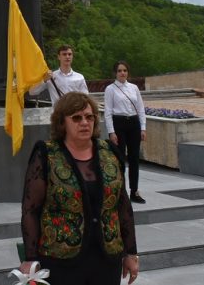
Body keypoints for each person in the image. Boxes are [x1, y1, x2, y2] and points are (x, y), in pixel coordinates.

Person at [20, 92, 140, 285]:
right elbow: (30, 210)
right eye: (76, 118)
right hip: (60, 260)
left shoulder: (110, 151)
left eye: (89, 117)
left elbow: (123, 204)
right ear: (62, 123)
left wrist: (131, 252)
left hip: (107, 258)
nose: (84, 122)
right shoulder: (46, 154)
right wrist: (31, 257)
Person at [104, 61, 147, 204]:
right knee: (120, 159)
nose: (122, 73)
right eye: (119, 71)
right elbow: (108, 112)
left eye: (125, 70)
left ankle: (134, 191)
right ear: (115, 73)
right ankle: (120, 192)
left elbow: (141, 109)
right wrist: (111, 131)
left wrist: (143, 127)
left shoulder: (134, 88)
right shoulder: (110, 89)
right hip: (119, 123)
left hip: (134, 123)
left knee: (134, 158)